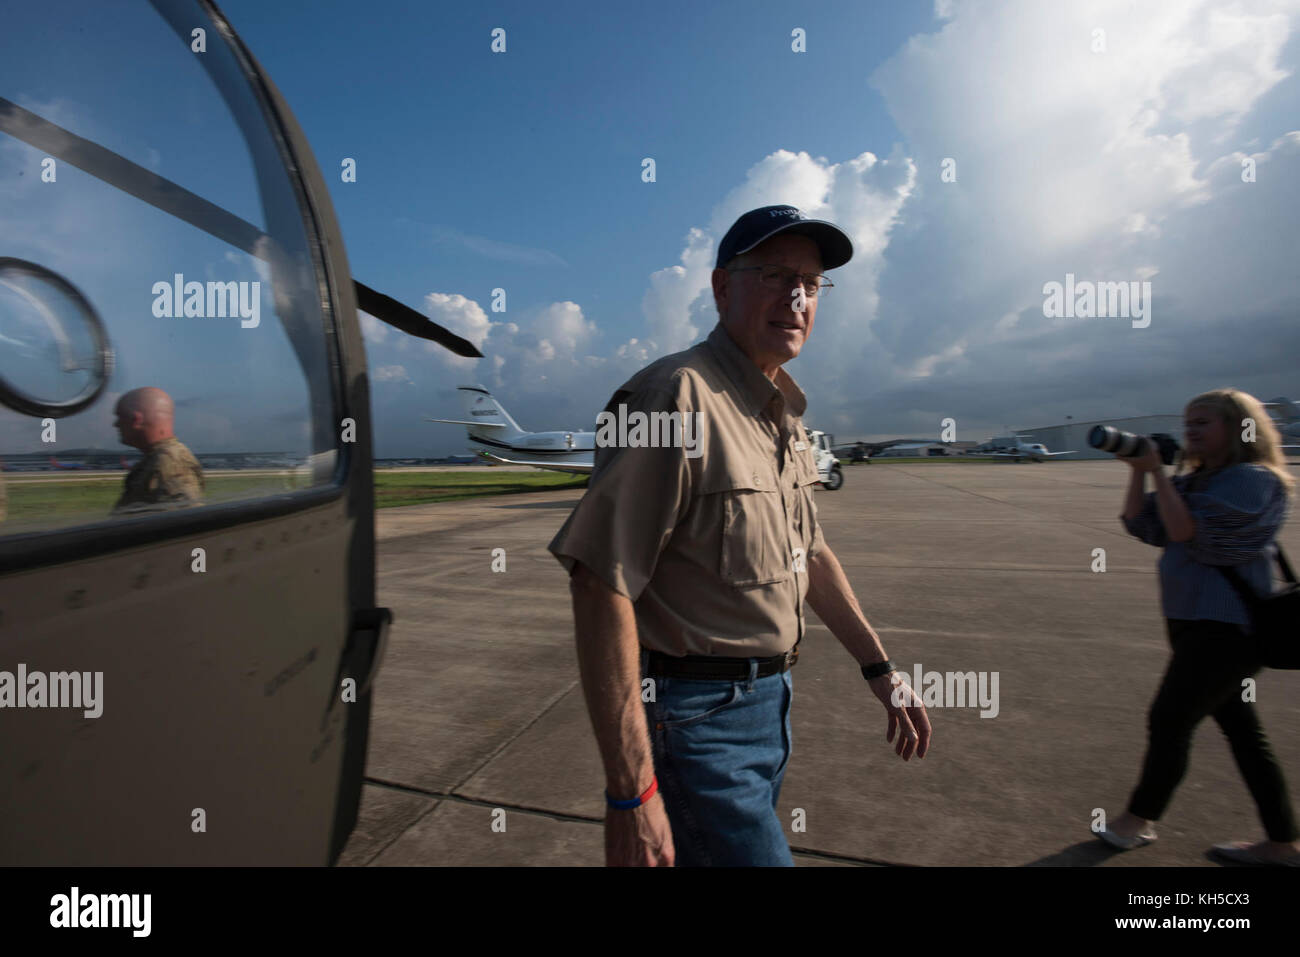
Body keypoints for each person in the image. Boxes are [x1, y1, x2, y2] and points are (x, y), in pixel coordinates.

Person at [549, 205, 931, 867]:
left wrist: (880, 666)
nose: (798, 296)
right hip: (694, 722)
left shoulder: (780, 413)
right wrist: (630, 791)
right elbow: (599, 578)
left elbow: (808, 553)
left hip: (769, 707)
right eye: (777, 275)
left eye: (812, 283)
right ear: (723, 287)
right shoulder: (674, 397)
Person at [1100, 388, 1299, 865]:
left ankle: (1136, 821)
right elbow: (1141, 524)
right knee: (1243, 733)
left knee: (1169, 719)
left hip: (1228, 629)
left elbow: (1190, 533)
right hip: (1191, 624)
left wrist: (1159, 478)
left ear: (1239, 428)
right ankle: (1282, 842)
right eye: (1188, 422)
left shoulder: (1254, 480)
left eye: (1203, 423)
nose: (1190, 431)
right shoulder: (1196, 480)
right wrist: (1138, 473)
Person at [111, 386, 205, 515]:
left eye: (120, 417)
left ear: (136, 420)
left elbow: (183, 522)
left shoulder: (170, 464)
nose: (116, 424)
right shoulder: (157, 459)